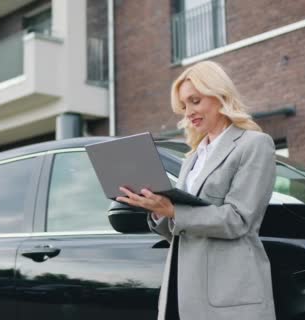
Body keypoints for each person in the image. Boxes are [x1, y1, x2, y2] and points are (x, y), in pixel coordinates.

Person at [116, 60, 277, 320]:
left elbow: (238, 220)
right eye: (183, 106)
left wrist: (173, 210)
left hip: (227, 292)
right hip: (182, 289)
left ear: (220, 96)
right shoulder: (193, 157)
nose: (188, 112)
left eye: (195, 101)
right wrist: (157, 210)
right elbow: (180, 231)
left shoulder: (254, 144)